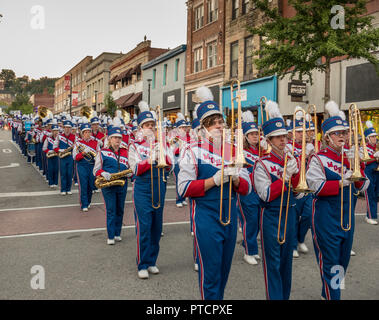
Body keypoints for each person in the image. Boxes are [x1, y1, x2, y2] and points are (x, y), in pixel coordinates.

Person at [178, 86, 251, 300]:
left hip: (230, 215)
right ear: (203, 127)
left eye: (221, 122)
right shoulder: (192, 149)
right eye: (213, 123)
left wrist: (235, 177)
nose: (219, 126)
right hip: (207, 216)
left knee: (224, 272)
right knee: (210, 274)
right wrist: (214, 180)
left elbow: (246, 189)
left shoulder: (233, 149)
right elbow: (183, 189)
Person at [306, 101, 369, 300]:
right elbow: (315, 187)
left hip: (346, 217)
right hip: (326, 218)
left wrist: (356, 167)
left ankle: (330, 291)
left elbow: (363, 186)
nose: (342, 136)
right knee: (331, 263)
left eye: (344, 133)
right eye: (337, 133)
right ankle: (333, 295)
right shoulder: (318, 158)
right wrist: (342, 182)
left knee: (342, 263)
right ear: (327, 137)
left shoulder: (350, 156)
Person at [253, 100, 301, 300]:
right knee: (272, 264)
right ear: (269, 141)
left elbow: (298, 190)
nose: (283, 140)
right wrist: (284, 178)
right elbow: (265, 194)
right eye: (277, 137)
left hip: (290, 212)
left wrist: (296, 173)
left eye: (284, 136)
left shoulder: (291, 159)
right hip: (271, 215)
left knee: (286, 263)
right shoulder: (261, 164)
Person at [128, 101, 174, 279]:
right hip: (143, 187)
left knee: (157, 226)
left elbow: (171, 166)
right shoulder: (135, 146)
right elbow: (135, 169)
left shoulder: (162, 143)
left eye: (152, 125)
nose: (150, 128)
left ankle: (152, 261)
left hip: (160, 184)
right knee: (144, 226)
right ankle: (142, 263)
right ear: (140, 128)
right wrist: (150, 159)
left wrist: (162, 154)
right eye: (147, 125)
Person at [93, 116, 132, 245]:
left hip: (122, 183)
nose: (118, 140)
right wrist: (103, 173)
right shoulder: (102, 152)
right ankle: (110, 235)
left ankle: (117, 233)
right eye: (115, 137)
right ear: (109, 139)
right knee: (111, 209)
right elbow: (95, 170)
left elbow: (130, 167)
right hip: (108, 184)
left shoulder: (125, 152)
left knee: (120, 209)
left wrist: (129, 174)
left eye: (119, 138)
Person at [237, 110, 261, 265]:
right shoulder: (241, 151)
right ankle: (249, 251)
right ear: (245, 136)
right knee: (250, 220)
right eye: (251, 134)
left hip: (260, 191)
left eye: (256, 134)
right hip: (247, 191)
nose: (255, 136)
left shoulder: (261, 150)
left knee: (258, 220)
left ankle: (249, 244)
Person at [72, 117, 100, 212]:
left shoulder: (95, 142)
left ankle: (88, 202)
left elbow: (99, 155)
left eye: (89, 132)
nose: (88, 134)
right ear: (82, 133)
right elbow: (75, 157)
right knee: (83, 185)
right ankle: (84, 204)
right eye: (86, 132)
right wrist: (83, 153)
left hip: (92, 165)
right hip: (82, 166)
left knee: (90, 185)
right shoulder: (78, 143)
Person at [54, 116, 76, 195]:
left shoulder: (74, 137)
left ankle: (68, 189)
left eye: (69, 128)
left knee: (69, 173)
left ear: (71, 129)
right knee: (63, 173)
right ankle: (63, 189)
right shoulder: (59, 136)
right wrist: (61, 150)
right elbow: (55, 147)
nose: (67, 129)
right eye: (66, 127)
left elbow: (76, 148)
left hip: (70, 157)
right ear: (63, 128)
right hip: (62, 156)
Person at [362, 120, 379, 225]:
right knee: (370, 194)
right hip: (368, 172)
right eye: (372, 137)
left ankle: (373, 214)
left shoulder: (376, 147)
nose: (375, 138)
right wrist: (375, 157)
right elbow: (364, 161)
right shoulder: (364, 148)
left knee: (376, 194)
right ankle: (369, 216)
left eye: (375, 136)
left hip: (376, 172)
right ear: (367, 138)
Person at [43, 120, 60, 188]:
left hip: (57, 156)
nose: (56, 132)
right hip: (50, 156)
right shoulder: (48, 139)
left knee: (56, 169)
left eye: (57, 131)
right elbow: (44, 148)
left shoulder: (60, 139)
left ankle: (55, 182)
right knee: (50, 169)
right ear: (52, 131)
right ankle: (51, 182)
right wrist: (49, 151)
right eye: (54, 131)